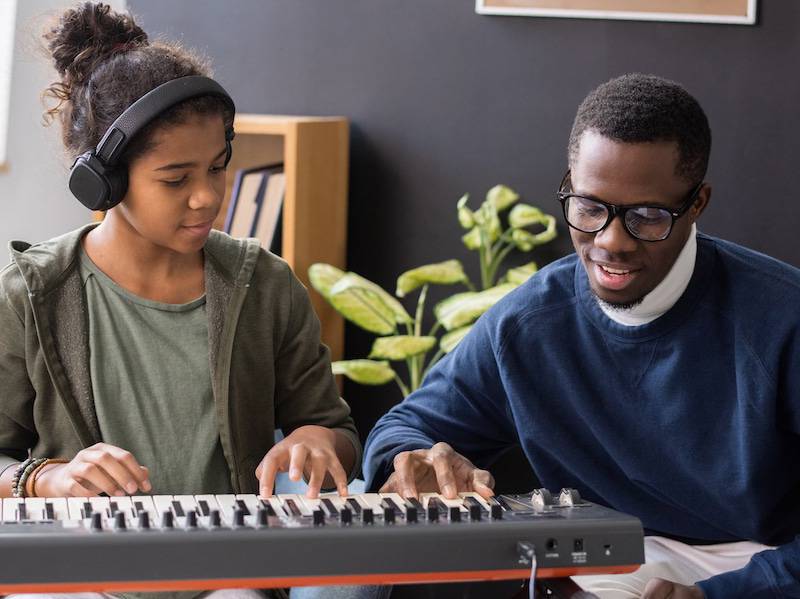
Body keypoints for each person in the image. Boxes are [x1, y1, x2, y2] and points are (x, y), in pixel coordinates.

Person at [363, 73, 800, 599]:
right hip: (605, 562)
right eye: (589, 208)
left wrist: (724, 594)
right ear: (570, 183)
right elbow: (407, 425)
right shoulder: (530, 322)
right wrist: (414, 459)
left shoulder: (783, 320)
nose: (610, 242)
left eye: (646, 216)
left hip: (760, 563)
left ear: (698, 204)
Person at [0, 3, 360, 598]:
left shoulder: (264, 284)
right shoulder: (32, 295)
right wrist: (48, 479)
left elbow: (330, 426)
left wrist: (317, 442)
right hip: (80, 576)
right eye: (175, 179)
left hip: (228, 578)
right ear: (104, 181)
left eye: (218, 168)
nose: (206, 198)